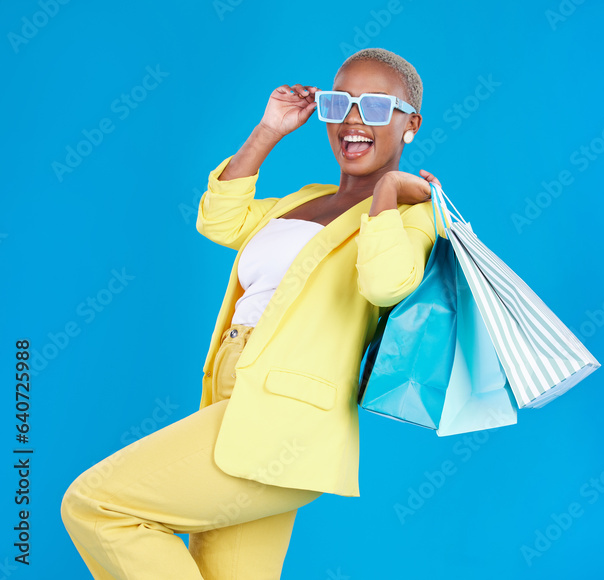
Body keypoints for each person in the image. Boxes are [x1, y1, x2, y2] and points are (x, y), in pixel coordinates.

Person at [60, 47, 444, 579]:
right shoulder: (303, 199)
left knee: (97, 505)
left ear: (410, 125)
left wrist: (386, 193)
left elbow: (384, 284)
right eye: (339, 103)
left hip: (286, 418)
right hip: (232, 387)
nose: (353, 120)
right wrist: (269, 130)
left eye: (376, 107)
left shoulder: (413, 216)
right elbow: (220, 221)